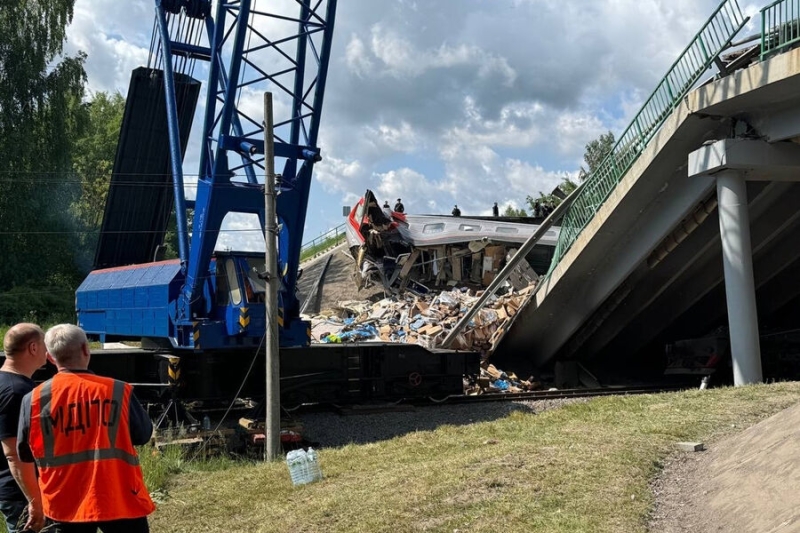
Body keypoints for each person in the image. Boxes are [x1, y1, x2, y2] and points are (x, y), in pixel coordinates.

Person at [17, 324, 156, 533]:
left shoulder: (33, 400)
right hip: (118, 496)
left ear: (50, 358)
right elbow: (143, 435)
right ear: (85, 350)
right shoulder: (119, 390)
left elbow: (25, 454)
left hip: (64, 503)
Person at [0, 324, 47, 533]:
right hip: (22, 493)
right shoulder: (16, 392)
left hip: (13, 488)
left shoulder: (6, 383)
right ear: (33, 348)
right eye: (44, 344)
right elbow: (14, 454)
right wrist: (35, 502)